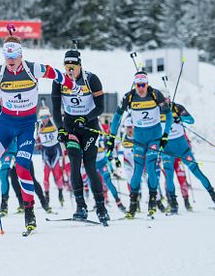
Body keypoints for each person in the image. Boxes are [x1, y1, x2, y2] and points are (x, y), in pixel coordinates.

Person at [0, 34, 75, 233]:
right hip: (5, 125)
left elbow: (55, 74)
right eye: (7, 55)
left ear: (21, 54)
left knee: (21, 168)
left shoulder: (32, 68)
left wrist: (70, 84)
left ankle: (29, 211)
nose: (11, 60)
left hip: (26, 126)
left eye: (14, 55)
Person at [51, 49, 111, 224]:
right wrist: (61, 129)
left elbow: (100, 107)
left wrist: (85, 118)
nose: (70, 71)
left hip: (89, 125)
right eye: (67, 66)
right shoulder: (59, 81)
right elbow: (55, 109)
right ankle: (81, 206)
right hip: (71, 127)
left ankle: (101, 207)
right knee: (75, 164)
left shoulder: (92, 79)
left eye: (73, 67)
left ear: (80, 65)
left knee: (90, 165)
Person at [109, 71, 173, 218]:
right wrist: (112, 137)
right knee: (137, 170)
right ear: (135, 85)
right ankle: (133, 204)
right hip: (139, 138)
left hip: (154, 137)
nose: (141, 88)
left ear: (147, 84)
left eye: (143, 85)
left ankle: (152, 201)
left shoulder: (156, 95)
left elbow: (168, 116)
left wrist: (165, 135)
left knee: (151, 167)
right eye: (138, 85)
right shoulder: (129, 96)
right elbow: (117, 116)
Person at [160, 101, 215, 213]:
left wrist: (180, 118)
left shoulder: (177, 107)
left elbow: (191, 120)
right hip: (167, 150)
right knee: (169, 177)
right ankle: (173, 203)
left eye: (167, 98)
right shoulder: (155, 109)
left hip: (183, 149)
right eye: (163, 99)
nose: (165, 101)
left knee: (197, 172)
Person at [36, 107, 65, 207]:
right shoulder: (38, 125)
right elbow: (36, 139)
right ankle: (47, 196)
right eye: (43, 117)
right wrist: (37, 142)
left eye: (46, 117)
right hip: (46, 151)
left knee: (57, 174)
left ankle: (60, 194)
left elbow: (61, 122)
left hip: (55, 150)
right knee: (46, 175)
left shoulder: (53, 122)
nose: (45, 119)